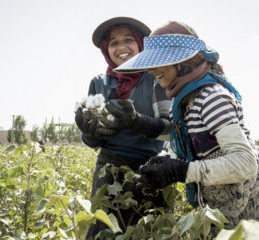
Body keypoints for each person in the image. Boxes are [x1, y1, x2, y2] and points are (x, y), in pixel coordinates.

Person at [114, 21, 259, 227]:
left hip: (246, 203)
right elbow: (185, 134)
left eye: (158, 62)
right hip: (223, 196)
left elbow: (245, 163)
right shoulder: (187, 99)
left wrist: (180, 171)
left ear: (182, 62)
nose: (151, 71)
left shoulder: (211, 98)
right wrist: (138, 124)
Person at [74, 17, 172, 238]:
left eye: (128, 40)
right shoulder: (99, 83)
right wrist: (89, 132)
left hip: (148, 171)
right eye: (114, 43)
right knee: (104, 231)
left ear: (140, 44)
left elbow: (169, 129)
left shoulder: (155, 77)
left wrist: (136, 121)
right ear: (106, 50)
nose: (121, 47)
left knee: (146, 231)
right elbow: (91, 140)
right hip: (108, 171)